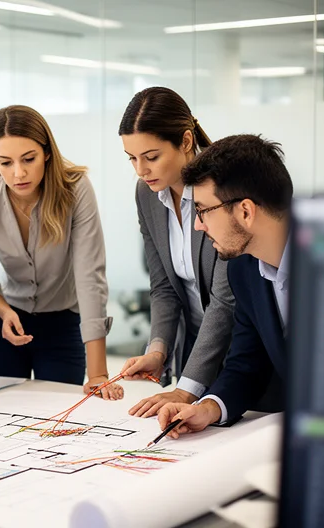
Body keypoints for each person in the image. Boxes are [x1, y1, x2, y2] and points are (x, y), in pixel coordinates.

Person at [0, 105, 122, 400]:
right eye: (5, 163)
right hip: (3, 324)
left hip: (63, 325)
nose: (18, 173)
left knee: (59, 415)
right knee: (3, 418)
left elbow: (90, 277)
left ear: (47, 152)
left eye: (28, 159)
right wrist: (3, 310)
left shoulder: (76, 190)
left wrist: (98, 373)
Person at [157, 134, 292, 438]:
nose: (198, 225)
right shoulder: (243, 270)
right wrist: (207, 408)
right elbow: (246, 365)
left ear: (245, 211)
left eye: (203, 210)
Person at [117, 87, 235, 417]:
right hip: (193, 351)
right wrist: (158, 349)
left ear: (185, 142)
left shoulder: (224, 188)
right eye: (132, 158)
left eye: (151, 157)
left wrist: (186, 389)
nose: (140, 170)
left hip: (242, 355)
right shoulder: (147, 194)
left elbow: (225, 300)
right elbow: (164, 286)